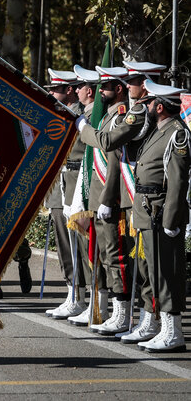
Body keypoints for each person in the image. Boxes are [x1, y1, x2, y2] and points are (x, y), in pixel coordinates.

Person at [133, 80, 189, 352]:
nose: (147, 108)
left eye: (150, 104)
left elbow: (178, 182)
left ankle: (174, 333)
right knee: (156, 273)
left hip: (162, 213)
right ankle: (164, 328)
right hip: (148, 211)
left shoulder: (177, 134)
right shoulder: (159, 129)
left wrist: (171, 219)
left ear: (159, 106)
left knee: (168, 273)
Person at [77, 66, 131, 333]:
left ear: (118, 89)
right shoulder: (106, 117)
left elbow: (113, 162)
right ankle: (114, 310)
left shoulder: (120, 118)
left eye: (105, 86)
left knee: (116, 255)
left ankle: (123, 313)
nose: (99, 91)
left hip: (111, 197)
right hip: (98, 196)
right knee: (106, 255)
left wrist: (108, 198)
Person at [66, 65, 108, 326]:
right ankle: (90, 300)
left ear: (89, 91)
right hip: (79, 182)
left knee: (94, 249)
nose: (76, 90)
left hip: (90, 185)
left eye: (79, 86)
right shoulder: (85, 114)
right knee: (83, 248)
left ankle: (98, 303)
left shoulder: (93, 116)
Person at [43, 69, 86, 318]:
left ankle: (81, 295)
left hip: (75, 186)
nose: (51, 94)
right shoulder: (58, 115)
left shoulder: (82, 117)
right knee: (63, 244)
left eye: (56, 90)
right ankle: (72, 292)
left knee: (77, 244)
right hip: (58, 189)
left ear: (70, 91)